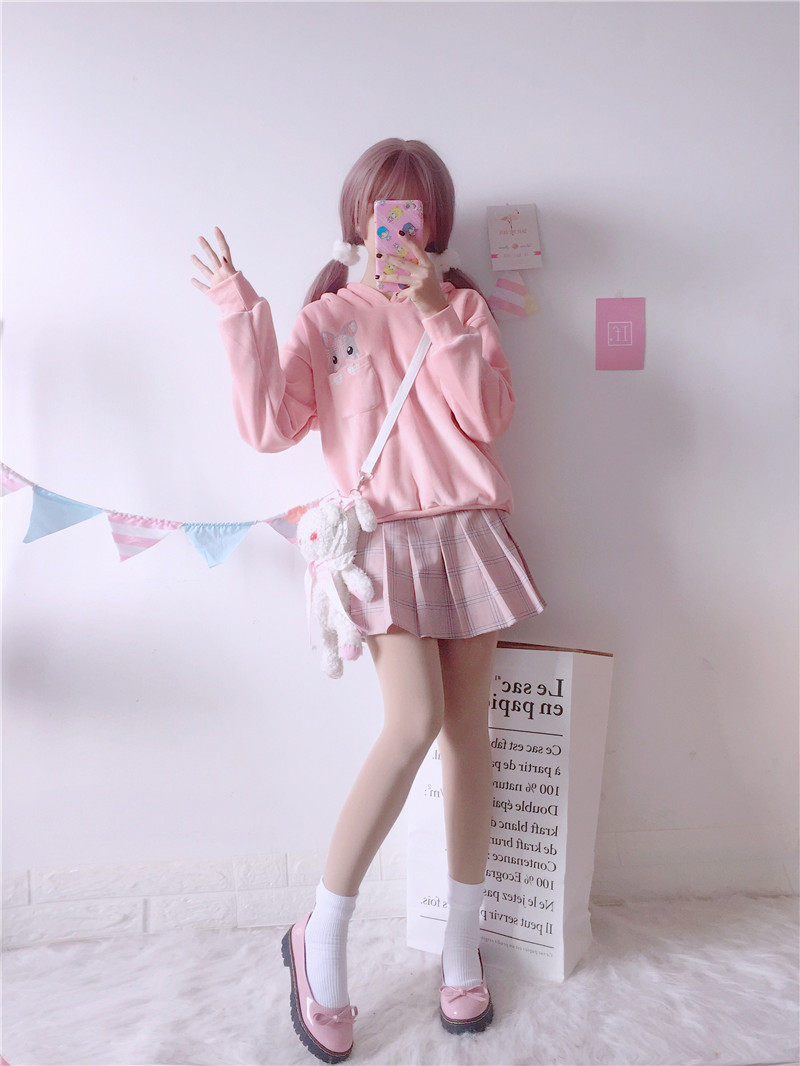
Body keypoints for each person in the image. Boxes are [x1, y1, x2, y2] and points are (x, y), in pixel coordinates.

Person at [191, 137, 547, 1062]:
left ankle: (461, 947)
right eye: (385, 206)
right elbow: (268, 427)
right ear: (358, 217)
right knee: (413, 723)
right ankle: (323, 933)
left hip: (469, 532)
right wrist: (240, 310)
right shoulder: (328, 319)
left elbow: (488, 419)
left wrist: (434, 308)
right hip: (382, 542)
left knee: (470, 737)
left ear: (434, 221)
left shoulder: (461, 306)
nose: (399, 223)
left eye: (414, 208)